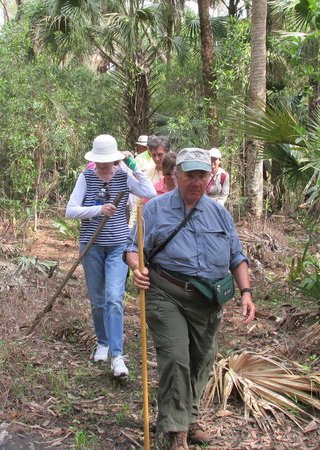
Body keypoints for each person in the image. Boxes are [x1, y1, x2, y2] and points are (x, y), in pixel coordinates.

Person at [125, 148, 256, 450]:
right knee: (176, 358)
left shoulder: (219, 212)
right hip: (165, 291)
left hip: (207, 299)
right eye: (190, 175)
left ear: (210, 178)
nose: (196, 182)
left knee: (202, 359)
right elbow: (134, 247)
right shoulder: (155, 209)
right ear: (176, 175)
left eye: (202, 176)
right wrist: (137, 266)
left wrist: (246, 293)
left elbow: (237, 256)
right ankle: (176, 432)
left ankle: (189, 416)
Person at [66, 134, 156, 378]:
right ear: (94, 161)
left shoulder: (123, 175)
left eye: (109, 163)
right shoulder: (85, 177)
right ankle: (103, 342)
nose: (105, 167)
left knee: (114, 298)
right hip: (91, 245)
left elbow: (149, 192)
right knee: (97, 300)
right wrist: (98, 209)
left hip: (118, 246)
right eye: (101, 163)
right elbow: (70, 210)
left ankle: (118, 355)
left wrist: (134, 166)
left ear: (116, 160)